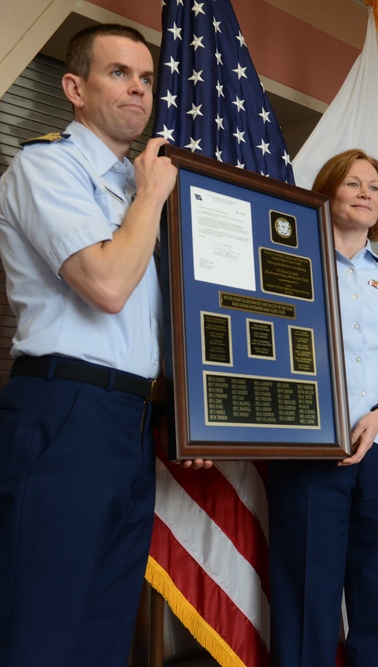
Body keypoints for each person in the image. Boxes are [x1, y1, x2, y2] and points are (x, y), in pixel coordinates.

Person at [0, 24, 197, 666]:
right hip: (66, 410)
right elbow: (108, 285)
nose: (138, 91)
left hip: (135, 419)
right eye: (118, 74)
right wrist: (149, 196)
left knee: (108, 624)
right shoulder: (46, 165)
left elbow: (159, 327)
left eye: (145, 79)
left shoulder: (138, 186)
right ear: (74, 87)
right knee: (46, 622)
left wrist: (196, 418)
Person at [267, 150, 378, 665]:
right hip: (311, 446)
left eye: (374, 186)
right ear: (328, 190)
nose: (365, 192)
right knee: (308, 591)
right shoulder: (289, 261)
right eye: (353, 182)